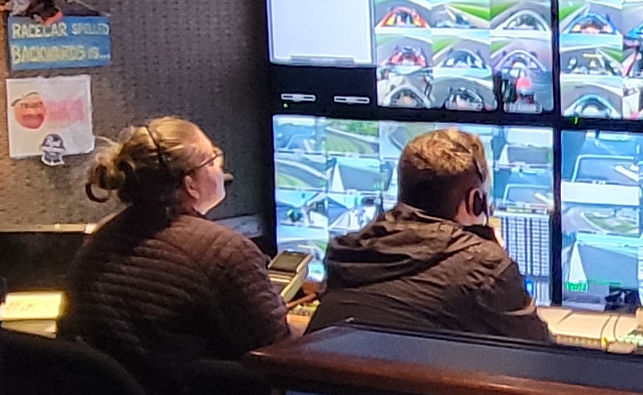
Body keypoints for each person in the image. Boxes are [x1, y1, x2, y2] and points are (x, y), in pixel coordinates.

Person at [61, 116, 291, 375]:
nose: (220, 166)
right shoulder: (225, 251)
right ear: (190, 185)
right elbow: (279, 353)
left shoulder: (101, 236)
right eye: (212, 160)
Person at [305, 128, 553, 345]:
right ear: (475, 202)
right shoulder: (483, 265)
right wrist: (493, 255)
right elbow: (542, 352)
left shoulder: (348, 252)